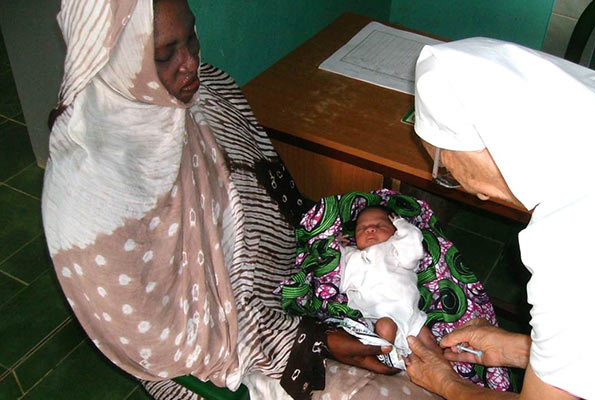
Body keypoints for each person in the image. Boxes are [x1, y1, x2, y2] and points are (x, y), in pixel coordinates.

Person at [43, 1, 441, 399]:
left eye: (192, 39)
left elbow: (283, 202)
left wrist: (330, 257)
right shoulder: (92, 197)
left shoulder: (211, 92)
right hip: (227, 356)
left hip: (299, 281)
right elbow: (171, 341)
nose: (190, 65)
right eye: (164, 55)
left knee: (431, 306)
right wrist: (313, 341)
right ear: (114, 60)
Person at [404, 38, 595, 400]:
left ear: (478, 148)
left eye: (444, 168)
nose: (467, 189)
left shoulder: (575, 244)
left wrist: (448, 383)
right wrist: (522, 351)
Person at [339, 206, 439, 360]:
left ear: (395, 232)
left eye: (380, 225)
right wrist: (336, 245)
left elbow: (414, 246)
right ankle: (387, 361)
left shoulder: (396, 247)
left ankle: (442, 369)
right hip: (377, 316)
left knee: (430, 340)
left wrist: (402, 224)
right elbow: (335, 274)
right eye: (362, 228)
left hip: (410, 315)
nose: (371, 229)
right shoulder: (351, 256)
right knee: (385, 328)